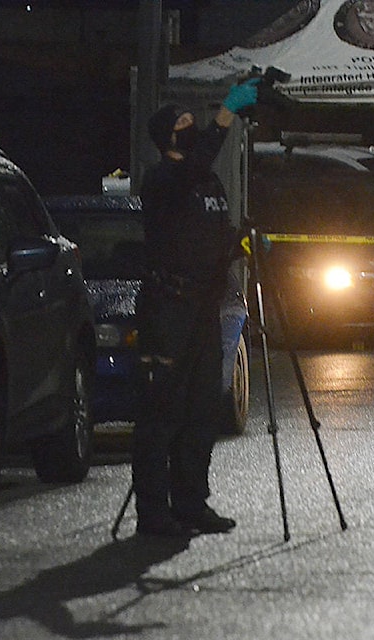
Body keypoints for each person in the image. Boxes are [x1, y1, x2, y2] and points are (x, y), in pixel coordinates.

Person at [132, 78, 259, 537]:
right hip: (169, 308)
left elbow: (209, 235)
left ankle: (191, 502)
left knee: (200, 409)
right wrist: (227, 111)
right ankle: (153, 510)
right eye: (184, 124)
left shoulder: (207, 180)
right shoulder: (164, 178)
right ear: (168, 137)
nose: (193, 128)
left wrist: (239, 243)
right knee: (161, 410)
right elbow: (195, 166)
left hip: (205, 307)